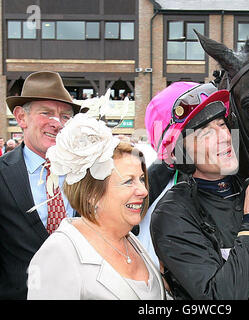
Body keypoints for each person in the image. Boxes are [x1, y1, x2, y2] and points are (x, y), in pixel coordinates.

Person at [145, 82, 249, 300]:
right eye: (206, 133)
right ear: (181, 153)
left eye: (222, 124)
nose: (225, 137)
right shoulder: (172, 214)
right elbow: (220, 298)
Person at [27, 114, 166, 300]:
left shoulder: (129, 240)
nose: (143, 191)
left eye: (141, 179)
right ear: (93, 195)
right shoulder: (60, 253)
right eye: (128, 182)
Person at [0, 71, 85, 299]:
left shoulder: (90, 173)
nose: (56, 123)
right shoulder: (2, 175)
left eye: (65, 116)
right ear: (21, 118)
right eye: (46, 113)